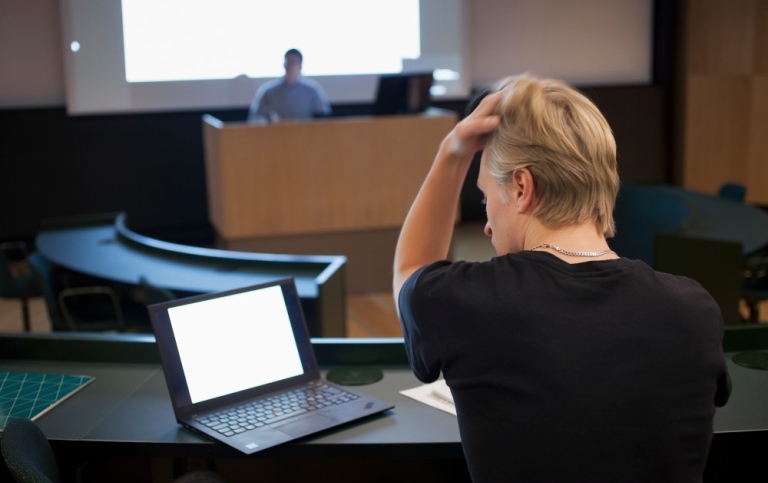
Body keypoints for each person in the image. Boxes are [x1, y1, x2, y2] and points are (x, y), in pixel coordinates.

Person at [393, 74, 731, 482]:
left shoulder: (464, 302)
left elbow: (411, 270)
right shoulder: (694, 310)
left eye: (486, 198)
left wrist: (453, 152)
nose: (486, 225)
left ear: (521, 187)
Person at [247, 48, 331, 122]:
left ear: (300, 66)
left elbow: (324, 118)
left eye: (294, 62)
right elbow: (254, 119)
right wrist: (271, 121)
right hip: (276, 136)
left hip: (305, 136)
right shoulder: (268, 91)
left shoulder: (312, 90)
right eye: (288, 62)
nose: (290, 66)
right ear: (283, 64)